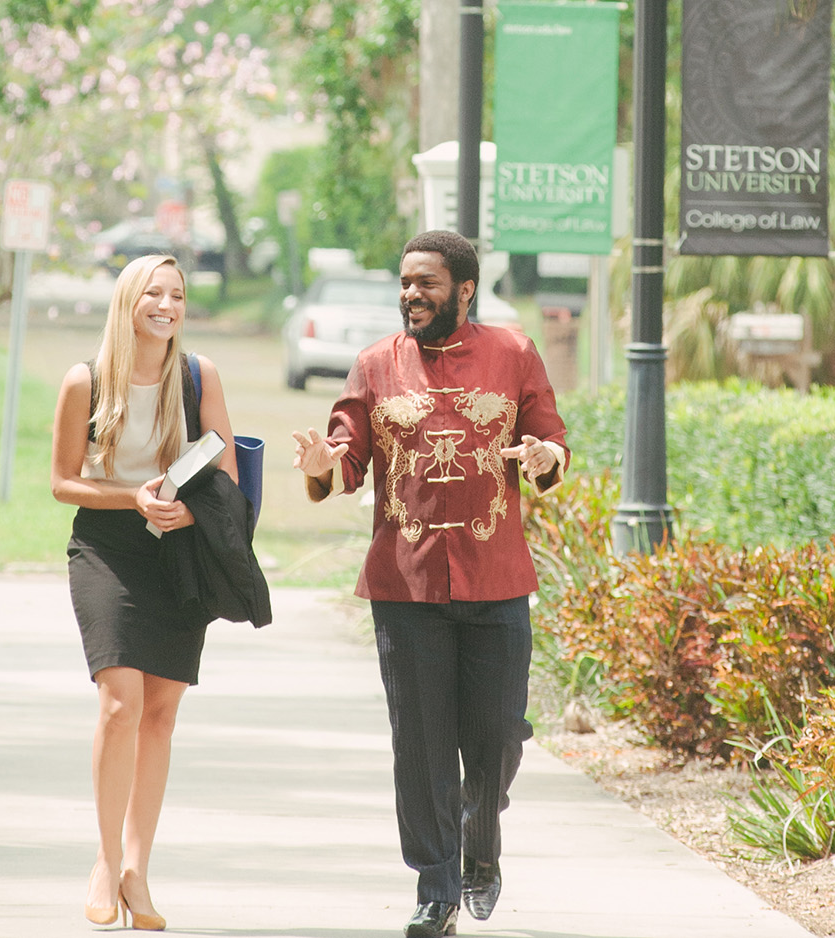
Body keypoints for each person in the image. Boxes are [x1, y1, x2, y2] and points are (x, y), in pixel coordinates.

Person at [291, 231, 569, 938]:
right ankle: (435, 887)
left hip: (497, 580)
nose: (412, 294)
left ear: (465, 290)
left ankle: (481, 839)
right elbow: (345, 459)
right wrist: (323, 461)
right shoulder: (374, 365)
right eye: (406, 282)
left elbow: (550, 440)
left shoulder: (512, 353)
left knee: (499, 734)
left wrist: (542, 454)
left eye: (428, 284)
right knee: (419, 743)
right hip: (405, 586)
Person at [50, 254, 238, 931]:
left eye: (177, 295)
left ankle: (137, 870)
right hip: (106, 547)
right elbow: (63, 482)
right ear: (128, 301)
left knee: (160, 713)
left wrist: (188, 514)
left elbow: (226, 476)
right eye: (153, 293)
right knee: (118, 704)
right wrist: (132, 499)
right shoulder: (87, 379)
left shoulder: (198, 375)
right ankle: (103, 861)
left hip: (178, 555)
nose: (166, 305)